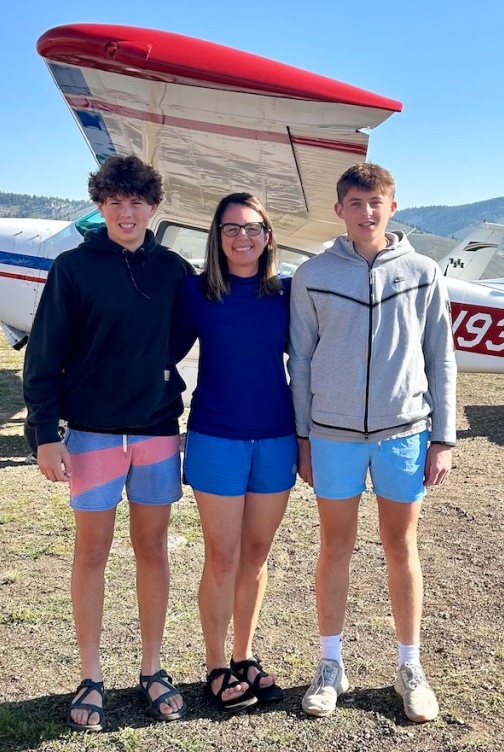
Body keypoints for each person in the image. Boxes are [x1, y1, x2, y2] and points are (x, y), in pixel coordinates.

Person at [23, 155, 194, 730]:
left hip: (156, 432)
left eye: (137, 201)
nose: (126, 211)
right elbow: (43, 354)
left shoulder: (173, 270)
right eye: (114, 201)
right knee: (91, 553)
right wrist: (46, 434)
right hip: (93, 434)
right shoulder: (72, 268)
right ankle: (91, 674)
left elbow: (184, 336)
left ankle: (151, 669)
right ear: (100, 206)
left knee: (153, 550)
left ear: (154, 207)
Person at [288, 162, 456, 723]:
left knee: (400, 548)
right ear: (339, 210)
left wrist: (443, 437)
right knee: (334, 547)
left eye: (376, 201)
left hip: (404, 433)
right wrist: (303, 438)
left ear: (393, 206)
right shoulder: (312, 274)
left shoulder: (425, 271)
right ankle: (330, 665)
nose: (366, 212)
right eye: (355, 202)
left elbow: (441, 358)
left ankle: (410, 666)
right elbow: (302, 362)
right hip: (333, 436)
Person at [175, 193, 295, 712]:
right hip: (216, 438)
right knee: (222, 557)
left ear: (268, 235)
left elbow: (320, 355)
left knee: (256, 555)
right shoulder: (196, 293)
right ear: (216, 237)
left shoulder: (288, 294)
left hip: (276, 437)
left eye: (252, 228)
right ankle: (216, 665)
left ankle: (245, 656)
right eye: (231, 229)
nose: (242, 237)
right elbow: (156, 351)